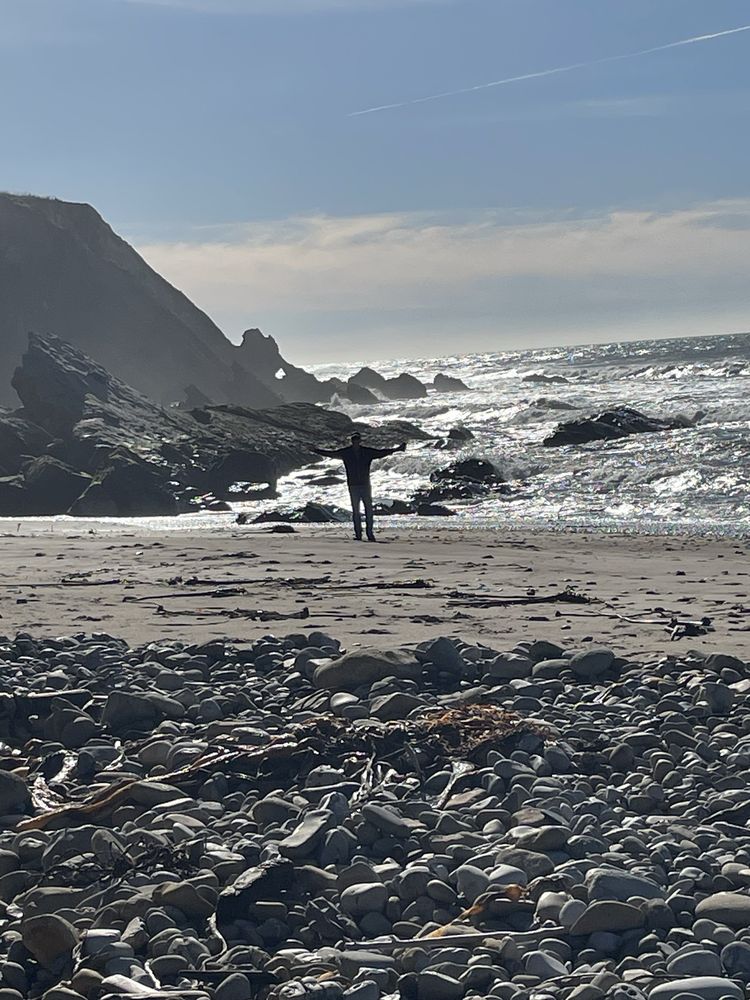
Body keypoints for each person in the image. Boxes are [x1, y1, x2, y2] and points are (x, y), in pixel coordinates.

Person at [311, 432, 406, 541]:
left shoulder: (366, 452)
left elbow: (381, 453)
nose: (355, 442)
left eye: (357, 439)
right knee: (356, 511)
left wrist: (397, 449)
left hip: (365, 485)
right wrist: (316, 451)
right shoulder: (346, 452)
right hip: (353, 485)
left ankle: (370, 534)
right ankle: (358, 534)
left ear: (359, 441)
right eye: (354, 440)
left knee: (368, 511)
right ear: (352, 441)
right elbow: (331, 454)